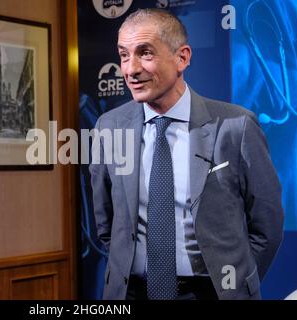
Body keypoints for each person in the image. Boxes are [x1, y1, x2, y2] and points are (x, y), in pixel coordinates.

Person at [89, 8, 284, 300]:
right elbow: (107, 226)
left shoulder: (236, 126)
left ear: (182, 57)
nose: (130, 69)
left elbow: (267, 226)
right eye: (124, 55)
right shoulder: (109, 126)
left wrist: (237, 283)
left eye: (145, 53)